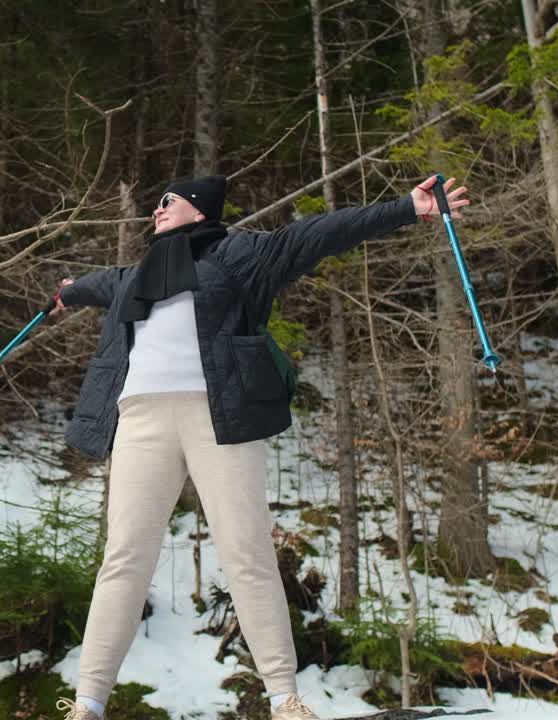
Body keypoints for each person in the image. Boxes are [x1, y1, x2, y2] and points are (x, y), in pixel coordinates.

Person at [50, 175, 469, 720]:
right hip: (140, 420)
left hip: (218, 415)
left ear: (199, 211)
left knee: (246, 552)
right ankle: (87, 704)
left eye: (166, 201)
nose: (155, 210)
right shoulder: (136, 277)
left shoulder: (242, 254)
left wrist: (406, 209)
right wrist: (67, 292)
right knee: (124, 557)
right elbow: (96, 284)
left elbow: (318, 233)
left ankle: (284, 699)